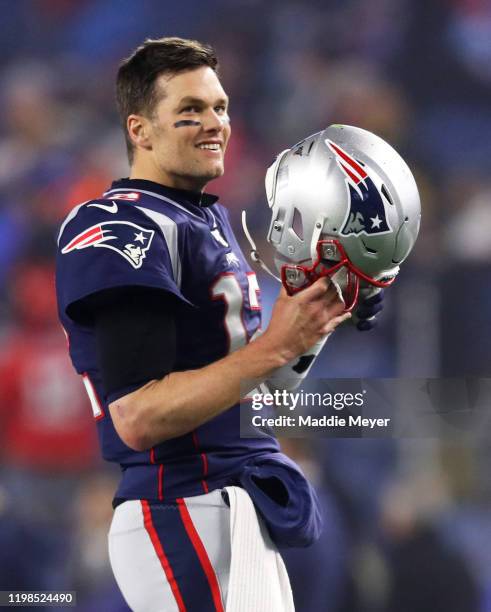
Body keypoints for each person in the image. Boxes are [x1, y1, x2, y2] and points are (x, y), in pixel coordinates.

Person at [55, 37, 379, 611]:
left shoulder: (208, 220)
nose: (214, 124)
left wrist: (316, 321)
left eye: (220, 107)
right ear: (140, 130)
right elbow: (138, 414)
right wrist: (274, 344)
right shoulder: (123, 221)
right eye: (190, 111)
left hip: (235, 503)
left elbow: (254, 392)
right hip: (181, 504)